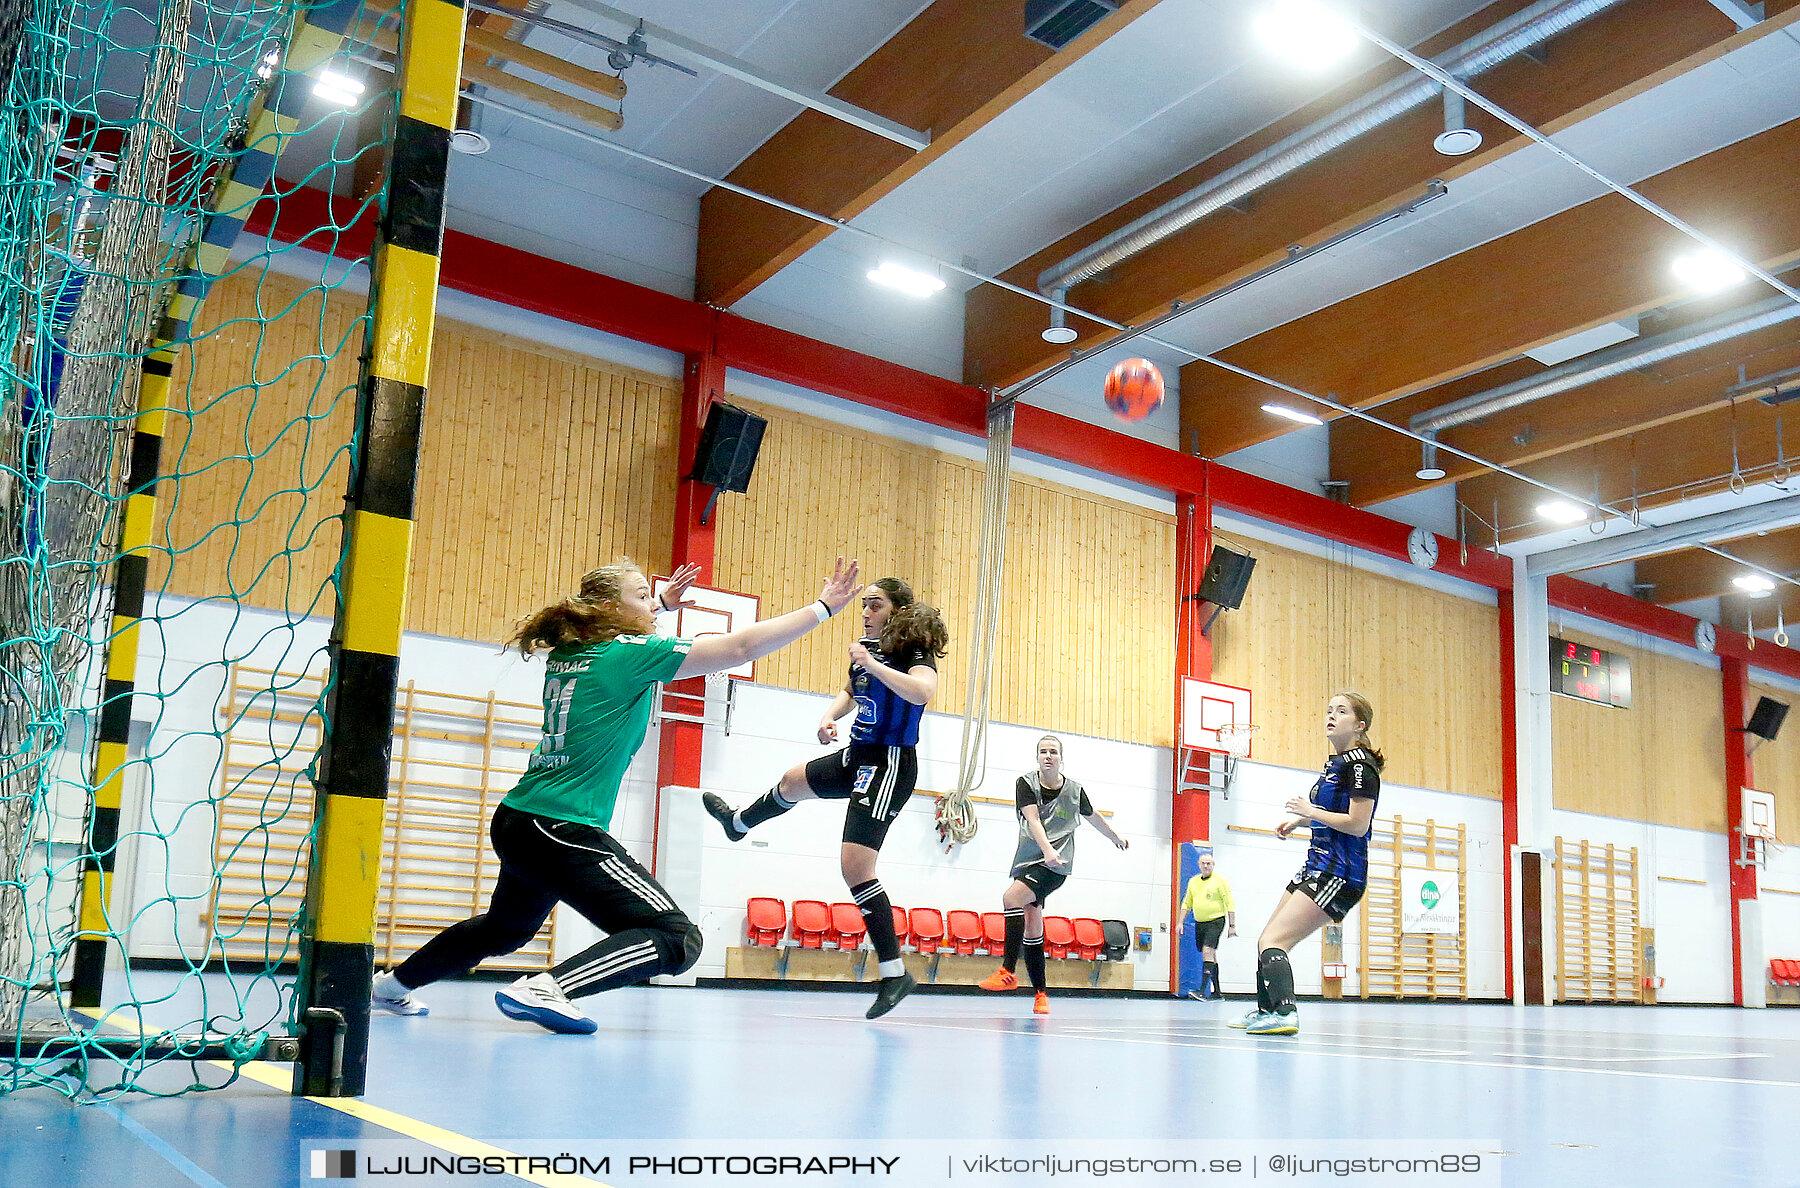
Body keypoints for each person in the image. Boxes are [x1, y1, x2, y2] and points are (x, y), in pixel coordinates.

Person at [371, 556, 864, 1033]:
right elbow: (737, 650)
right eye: (643, 595)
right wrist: (821, 609)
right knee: (676, 937)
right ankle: (548, 988)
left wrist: (661, 607)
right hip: (563, 828)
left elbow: (616, 633)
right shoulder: (629, 657)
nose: (655, 602)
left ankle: (391, 985)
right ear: (610, 611)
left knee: (505, 929)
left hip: (520, 821)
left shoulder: (570, 654)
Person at [702, 577, 948, 1019]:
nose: (866, 612)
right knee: (792, 781)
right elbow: (852, 691)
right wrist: (829, 715)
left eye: (875, 605)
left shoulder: (913, 649)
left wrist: (872, 665)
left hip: (890, 762)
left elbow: (922, 691)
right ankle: (738, 824)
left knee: (855, 866)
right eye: (864, 605)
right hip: (857, 754)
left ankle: (894, 973)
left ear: (896, 611)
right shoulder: (864, 651)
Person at [1231, 691, 1383, 1036]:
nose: (1331, 715)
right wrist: (1302, 822)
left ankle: (1286, 1014)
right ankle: (1266, 1010)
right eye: (1329, 709)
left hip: (1339, 873)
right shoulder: (1337, 764)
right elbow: (1333, 814)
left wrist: (1311, 812)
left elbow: (1358, 825)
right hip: (1317, 865)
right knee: (1266, 939)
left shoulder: (1360, 767)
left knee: (1275, 941)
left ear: (1359, 725)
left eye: (1341, 711)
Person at [977, 735, 1128, 1014]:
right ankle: (1041, 995)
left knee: (1011, 898)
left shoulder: (1074, 790)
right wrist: (1044, 849)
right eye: (1043, 752)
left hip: (1056, 864)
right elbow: (1032, 819)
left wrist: (1114, 836)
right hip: (1029, 860)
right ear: (1037, 757)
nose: (1048, 756)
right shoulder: (1026, 783)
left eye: (1053, 752)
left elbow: (1093, 816)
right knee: (1032, 923)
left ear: (1061, 758)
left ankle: (1007, 971)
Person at [1179, 852, 1235, 1000]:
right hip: (1201, 922)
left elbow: (1229, 901)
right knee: (1211, 956)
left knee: (1207, 951)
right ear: (1198, 865)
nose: (1206, 866)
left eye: (1208, 863)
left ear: (1213, 865)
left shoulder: (1220, 881)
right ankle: (1217, 992)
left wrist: (1232, 924)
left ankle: (1203, 990)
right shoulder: (1193, 882)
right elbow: (1187, 902)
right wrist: (1180, 922)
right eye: (1203, 863)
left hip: (1216, 920)